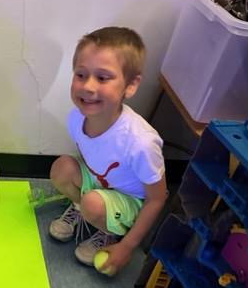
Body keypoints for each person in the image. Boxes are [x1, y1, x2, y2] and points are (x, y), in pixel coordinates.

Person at [49, 27, 167, 274]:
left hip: (129, 200)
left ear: (130, 85)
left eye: (102, 78)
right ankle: (84, 210)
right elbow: (92, 156)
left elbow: (157, 199)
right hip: (101, 185)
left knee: (93, 202)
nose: (88, 86)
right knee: (61, 168)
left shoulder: (141, 143)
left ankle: (107, 231)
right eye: (81, 74)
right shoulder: (76, 118)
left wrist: (127, 246)